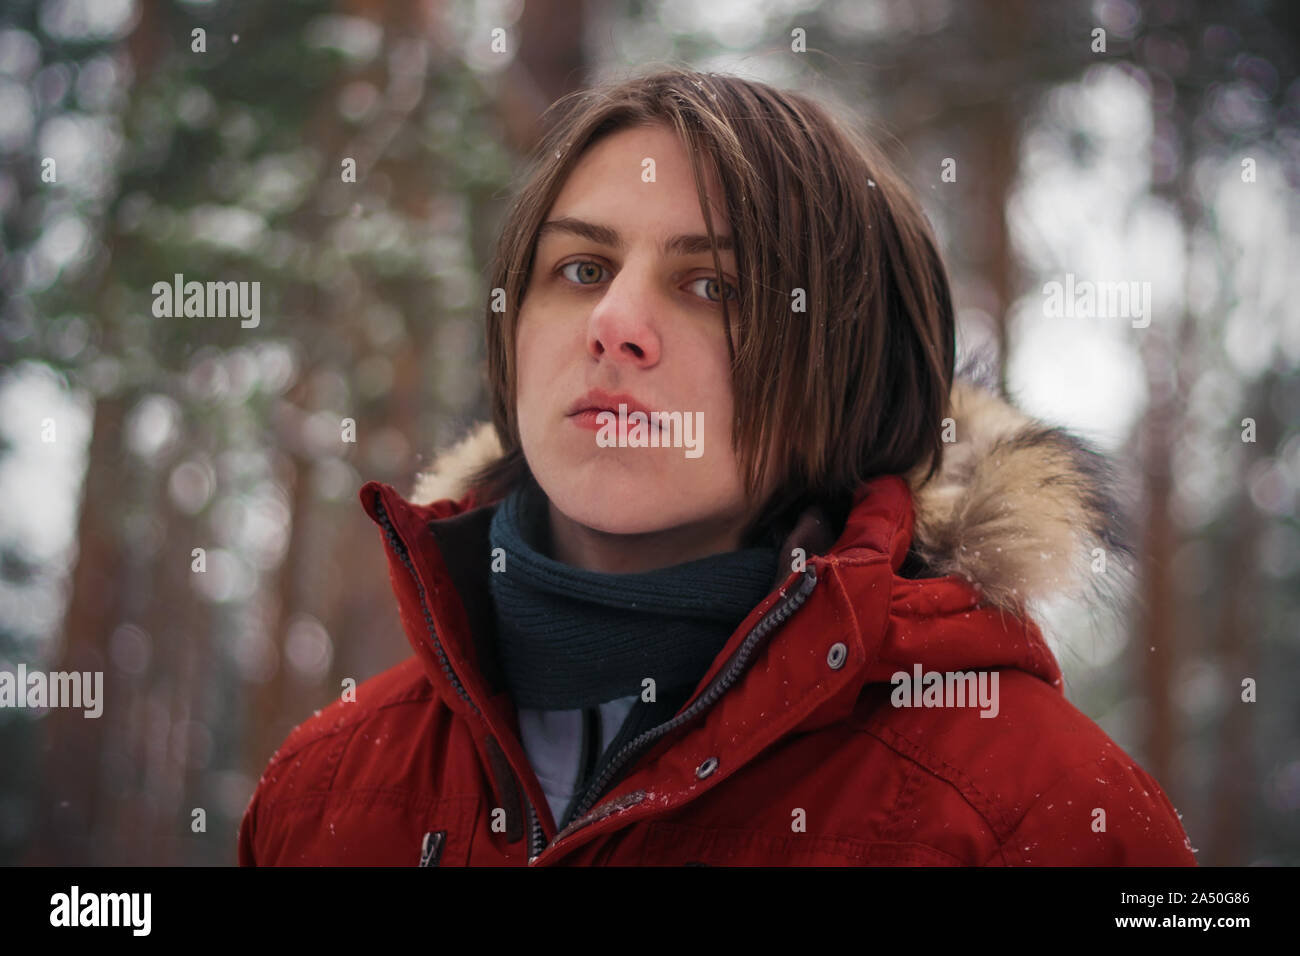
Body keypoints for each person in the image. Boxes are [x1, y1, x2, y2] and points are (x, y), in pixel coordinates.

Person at [238, 68, 1196, 866]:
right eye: (580, 269)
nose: (615, 325)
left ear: (850, 376)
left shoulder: (1038, 812)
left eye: (711, 286)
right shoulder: (323, 787)